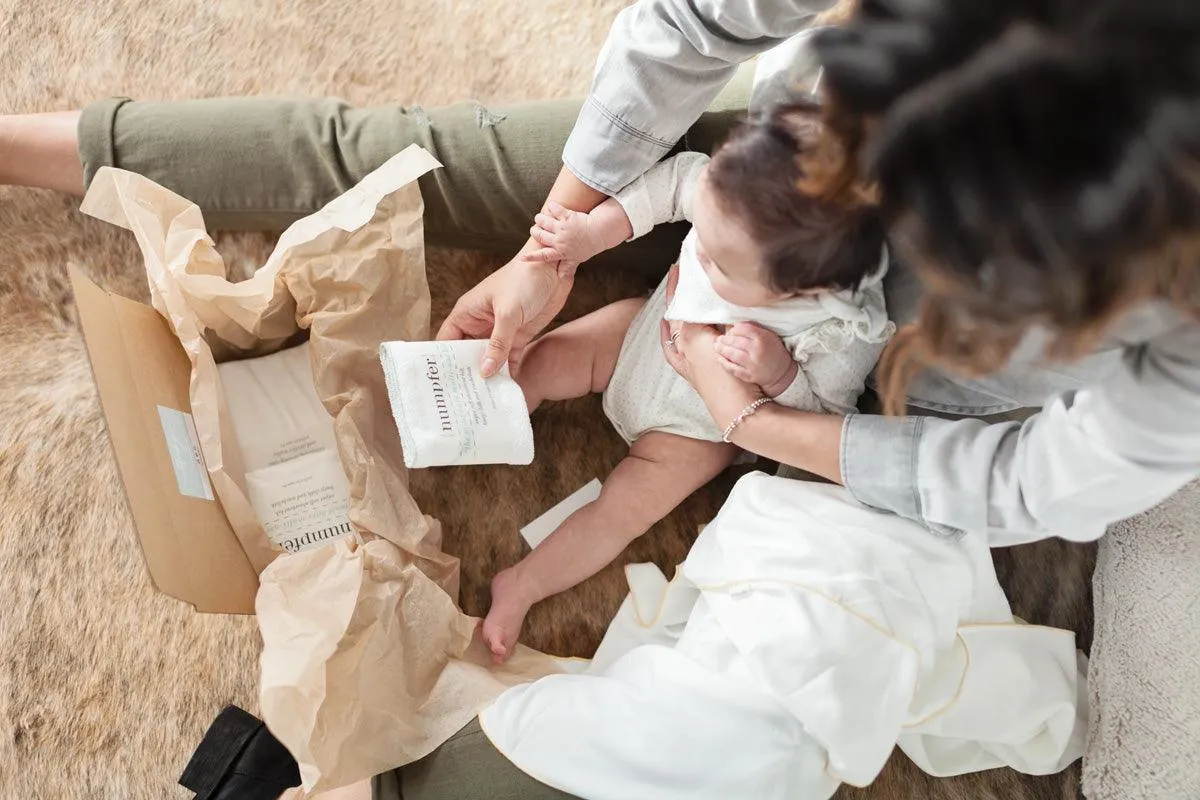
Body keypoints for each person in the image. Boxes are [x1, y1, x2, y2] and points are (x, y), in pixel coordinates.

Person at [2, 0, 1197, 797]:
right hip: (763, 205)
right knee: (417, 157)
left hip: (906, 435)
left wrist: (756, 424)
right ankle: (29, 141)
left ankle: (378, 761)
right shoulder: (832, 123)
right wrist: (551, 246)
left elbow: (1029, 481)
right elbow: (684, 35)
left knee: (749, 721)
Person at [484, 101, 891, 662]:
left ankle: (522, 585)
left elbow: (821, 427)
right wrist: (591, 233)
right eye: (703, 228)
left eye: (720, 265)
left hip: (693, 433)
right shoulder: (741, 191)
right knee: (543, 360)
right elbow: (673, 184)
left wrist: (780, 374)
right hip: (640, 337)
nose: (697, 247)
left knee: (619, 514)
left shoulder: (843, 329)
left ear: (794, 292)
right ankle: (475, 424)